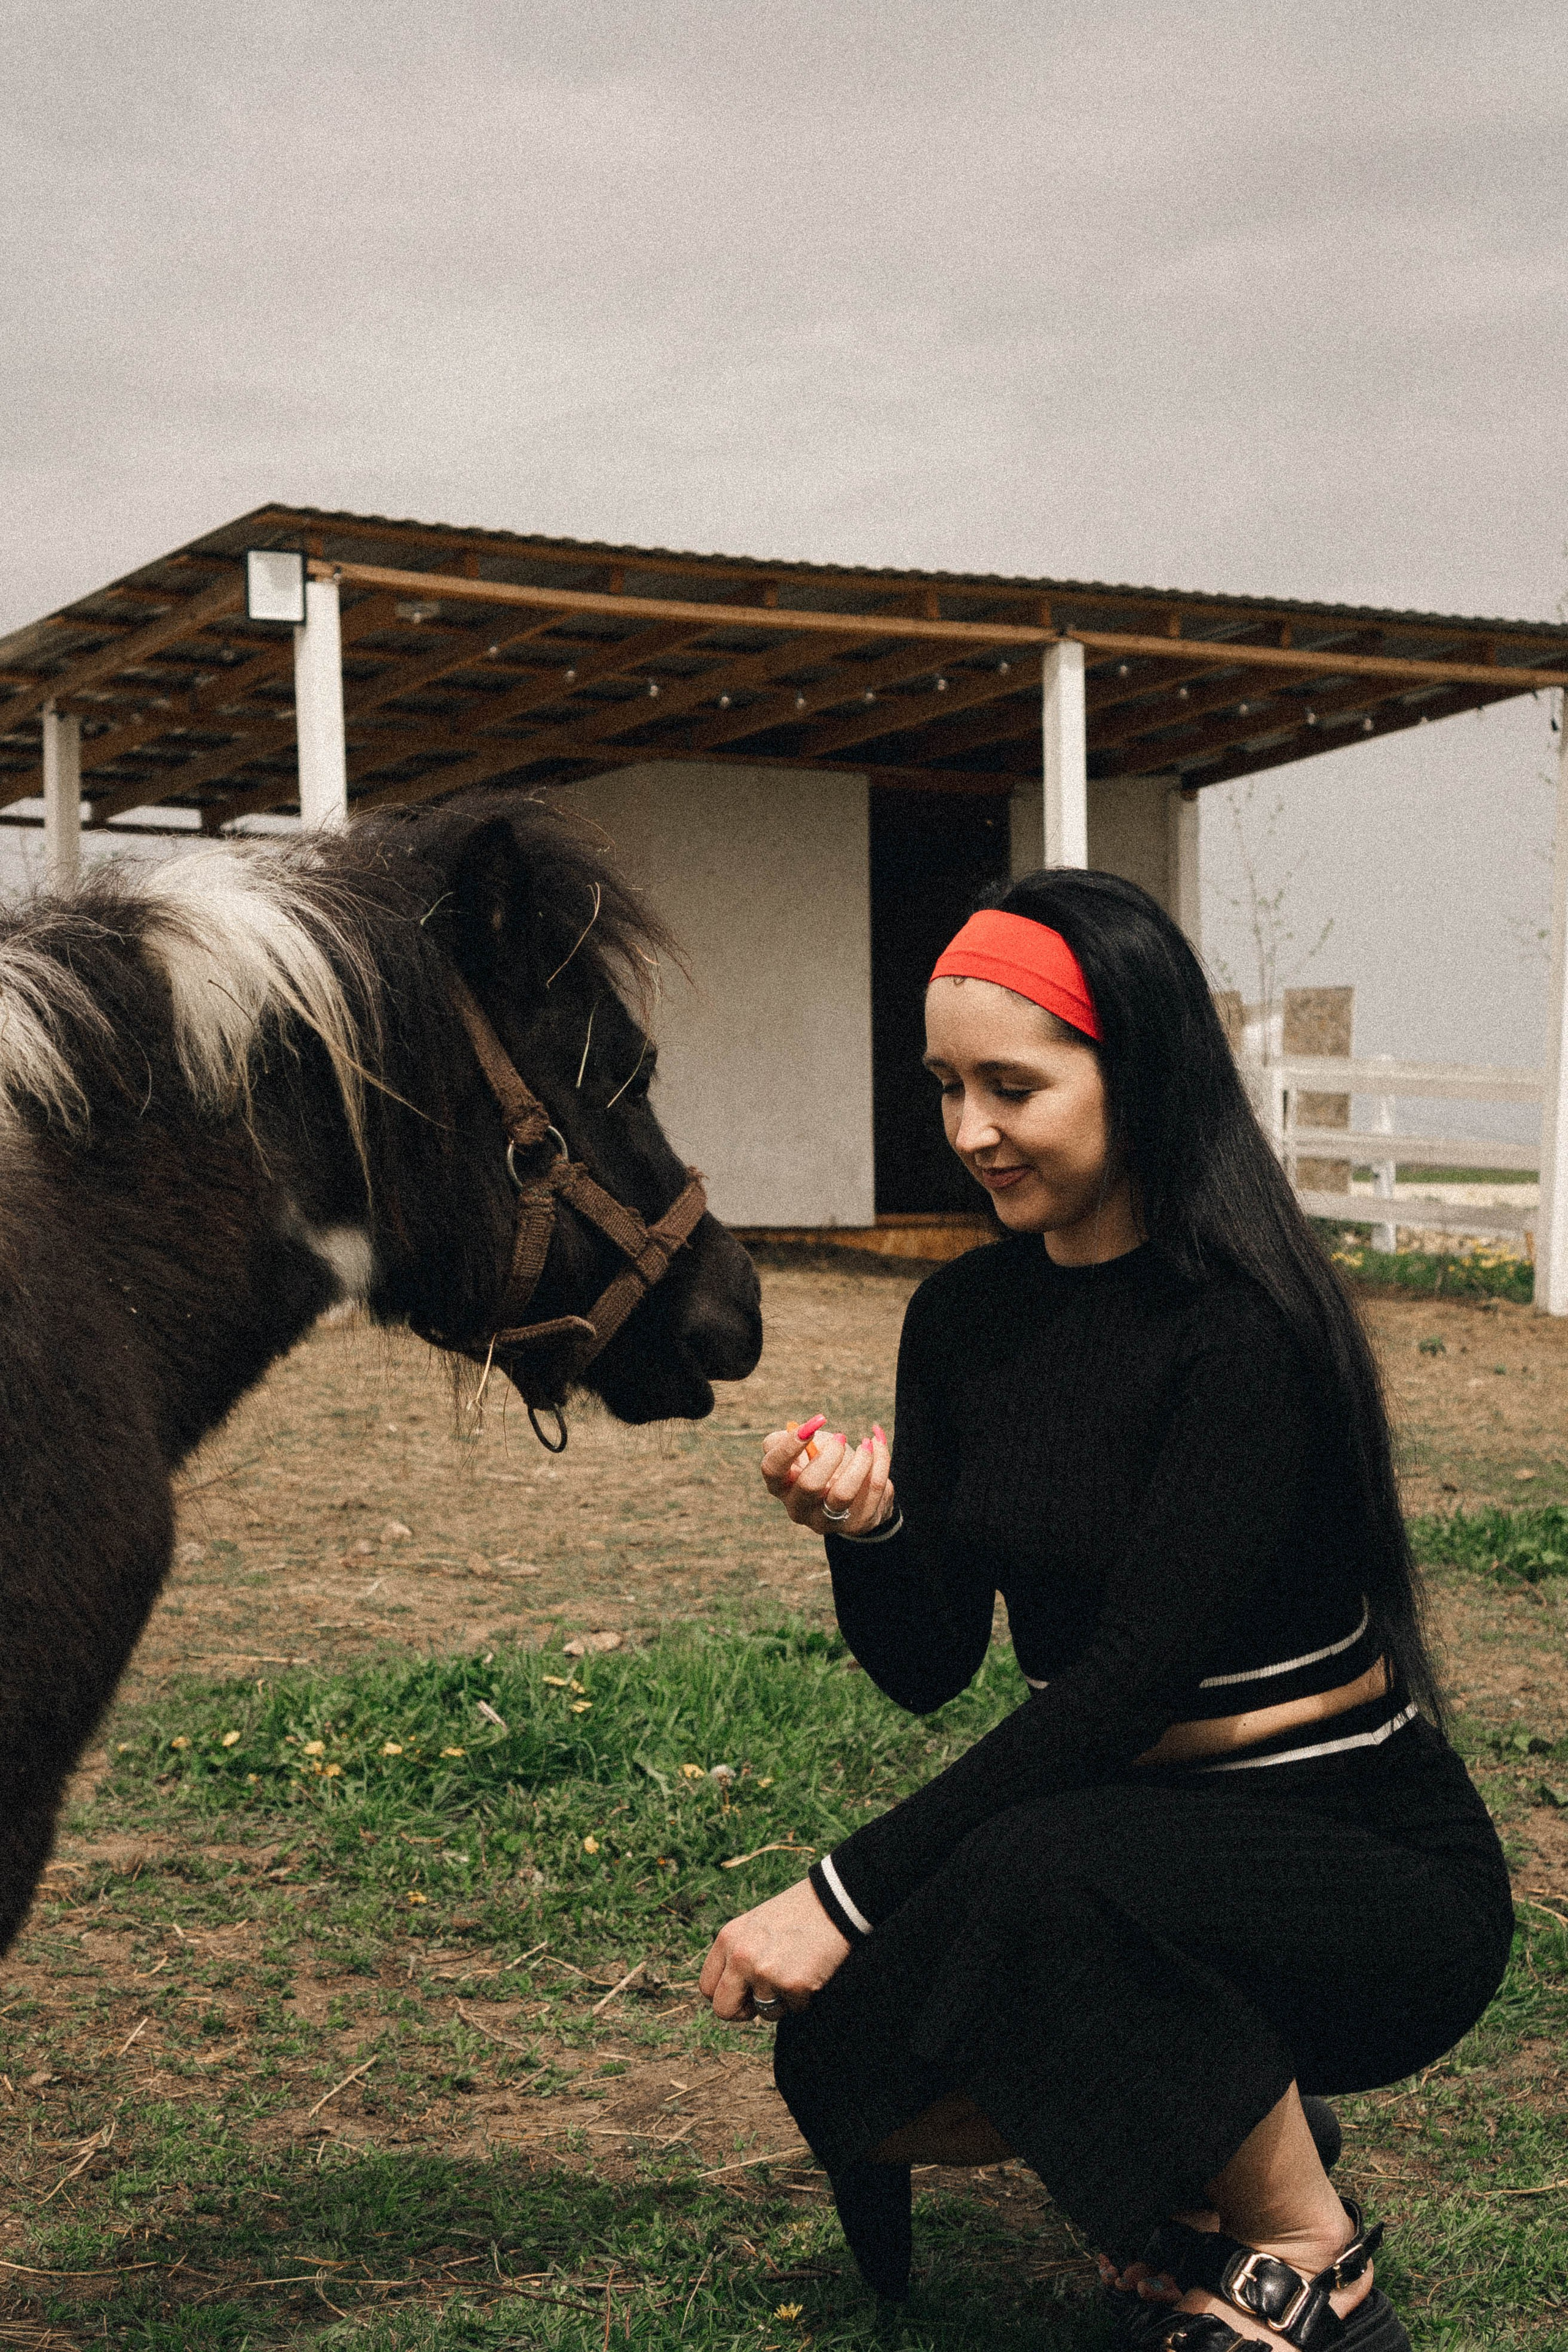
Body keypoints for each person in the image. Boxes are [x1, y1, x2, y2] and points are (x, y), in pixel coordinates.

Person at [698, 869, 1513, 2351]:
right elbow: (933, 1666)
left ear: (1130, 1067)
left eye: (1012, 1085)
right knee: (843, 2067)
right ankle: (1209, 2135)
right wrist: (871, 1528)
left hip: (1361, 1869)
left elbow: (1122, 1684)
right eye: (944, 1086)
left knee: (1034, 1876)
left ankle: (1301, 2257)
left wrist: (836, 1895)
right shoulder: (960, 1322)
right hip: (1122, 1855)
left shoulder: (1244, 1329)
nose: (966, 1132)